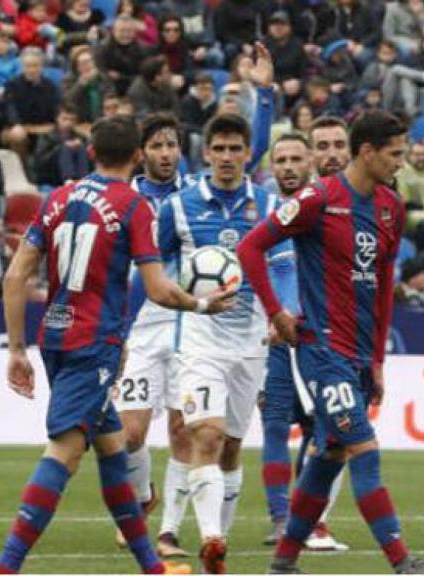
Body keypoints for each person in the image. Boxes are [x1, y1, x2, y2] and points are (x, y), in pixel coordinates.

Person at [0, 115, 234, 575]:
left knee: (112, 449)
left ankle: (152, 567)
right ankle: (7, 566)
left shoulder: (58, 198)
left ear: (91, 154)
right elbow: (160, 290)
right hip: (94, 344)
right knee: (64, 453)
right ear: (138, 156)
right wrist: (204, 305)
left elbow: (15, 276)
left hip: (57, 337)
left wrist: (18, 349)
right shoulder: (134, 206)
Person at [237, 110, 424, 575]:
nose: (401, 161)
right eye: (394, 154)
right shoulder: (318, 199)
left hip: (357, 355)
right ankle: (402, 561)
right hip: (321, 351)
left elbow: (384, 286)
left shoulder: (391, 206)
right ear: (367, 151)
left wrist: (376, 361)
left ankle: (284, 562)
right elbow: (250, 247)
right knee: (362, 447)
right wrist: (275, 310)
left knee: (329, 454)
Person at [157, 113, 281, 574]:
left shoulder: (268, 206)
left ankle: (218, 542)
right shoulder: (180, 207)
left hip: (250, 344)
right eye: (219, 149)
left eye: (236, 149)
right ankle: (211, 538)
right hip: (198, 341)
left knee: (230, 446)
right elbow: (150, 267)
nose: (227, 157)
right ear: (205, 153)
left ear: (248, 154)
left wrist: (279, 313)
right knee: (204, 435)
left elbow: (282, 266)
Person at [108, 113, 197, 559]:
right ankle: (143, 495)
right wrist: (120, 331)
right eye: (158, 146)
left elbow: (249, 154)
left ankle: (169, 532)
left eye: (172, 145)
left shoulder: (195, 192)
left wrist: (264, 97)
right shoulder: (127, 196)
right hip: (141, 326)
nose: (166, 154)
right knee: (130, 434)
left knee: (183, 429)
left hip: (188, 326)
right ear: (141, 153)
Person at [258, 132, 349, 553]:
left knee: (325, 427)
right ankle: (282, 518)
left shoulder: (324, 208)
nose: (289, 166)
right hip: (271, 334)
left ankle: (309, 519)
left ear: (309, 161)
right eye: (282, 159)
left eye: (297, 158)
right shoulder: (262, 207)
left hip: (317, 332)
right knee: (274, 423)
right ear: (272, 165)